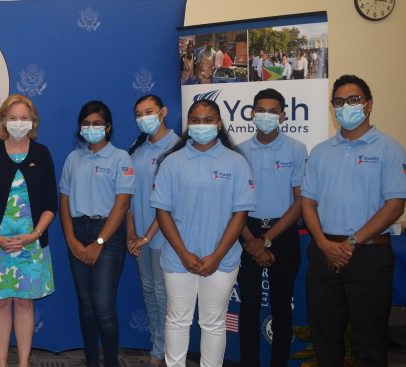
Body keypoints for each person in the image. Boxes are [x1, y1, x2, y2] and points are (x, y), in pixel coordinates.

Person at [301, 75, 406, 367]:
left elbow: (395, 204)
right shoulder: (321, 151)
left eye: (353, 100)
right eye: (338, 102)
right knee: (325, 338)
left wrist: (349, 243)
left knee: (370, 342)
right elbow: (307, 202)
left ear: (368, 105)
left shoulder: (389, 148)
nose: (345, 106)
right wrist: (323, 243)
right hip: (324, 253)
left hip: (368, 255)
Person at [151, 99, 255, 367]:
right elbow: (162, 212)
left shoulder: (237, 162)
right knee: (177, 319)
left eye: (208, 120)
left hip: (222, 260)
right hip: (177, 258)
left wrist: (217, 255)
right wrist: (184, 253)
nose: (201, 125)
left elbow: (240, 213)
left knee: (213, 322)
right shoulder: (172, 162)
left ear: (219, 124)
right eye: (195, 120)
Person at [0, 94, 57, 367]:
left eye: (24, 118)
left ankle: (22, 363)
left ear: (32, 121)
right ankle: (1, 362)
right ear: (3, 121)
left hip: (31, 246)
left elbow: (50, 204)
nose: (19, 123)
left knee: (24, 304)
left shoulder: (42, 154)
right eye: (13, 118)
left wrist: (35, 235)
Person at [59, 100, 134, 367]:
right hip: (78, 231)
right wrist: (71, 239)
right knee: (86, 306)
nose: (91, 128)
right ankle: (92, 361)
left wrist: (99, 242)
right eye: (86, 124)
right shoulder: (73, 158)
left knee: (103, 307)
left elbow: (122, 203)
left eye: (97, 124)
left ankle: (111, 361)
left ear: (108, 127)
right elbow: (64, 200)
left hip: (108, 235)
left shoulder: (120, 158)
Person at [237, 89, 307, 367]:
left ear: (283, 115)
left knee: (282, 308)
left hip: (282, 231)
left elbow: (300, 202)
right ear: (252, 114)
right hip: (246, 230)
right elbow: (235, 203)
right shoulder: (240, 151)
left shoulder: (296, 149)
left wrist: (265, 240)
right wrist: (252, 240)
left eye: (273, 111)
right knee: (249, 307)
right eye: (260, 110)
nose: (266, 116)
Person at [126, 95, 179, 367]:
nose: (143, 117)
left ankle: (166, 352)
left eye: (149, 111)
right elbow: (129, 197)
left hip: (163, 237)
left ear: (163, 112)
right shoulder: (136, 150)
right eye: (138, 113)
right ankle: (157, 347)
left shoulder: (177, 146)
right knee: (149, 291)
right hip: (140, 239)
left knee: (162, 293)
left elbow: (170, 200)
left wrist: (147, 236)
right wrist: (133, 235)